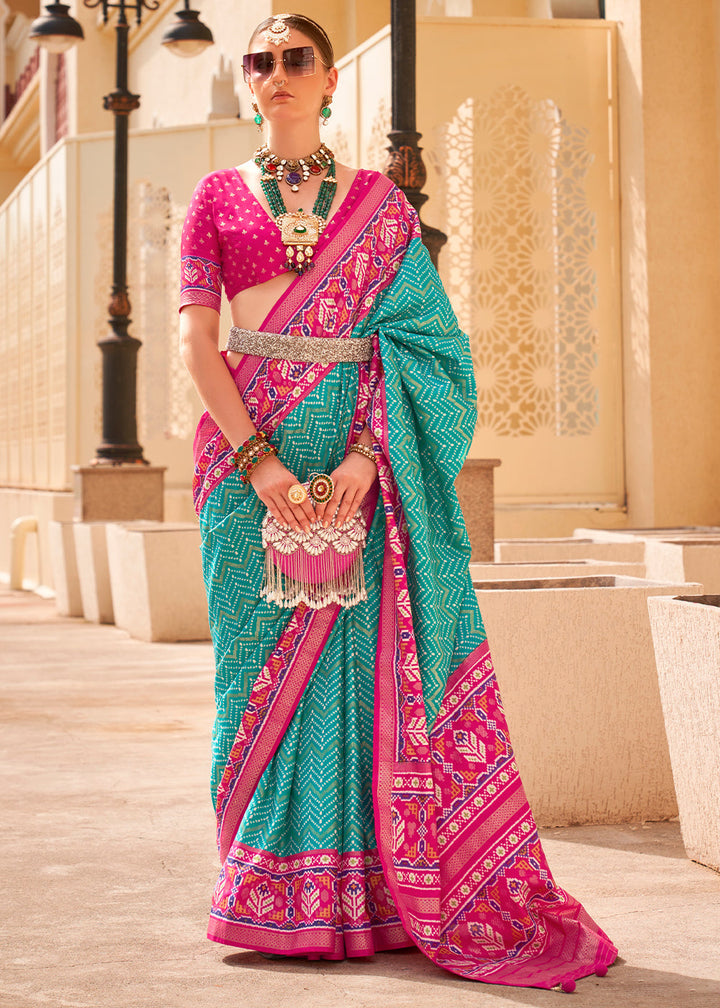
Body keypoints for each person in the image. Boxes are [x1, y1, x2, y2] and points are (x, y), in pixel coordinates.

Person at [179, 12, 617, 991]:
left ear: (330, 79)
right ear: (248, 80)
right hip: (245, 474)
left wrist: (368, 462)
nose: (277, 73)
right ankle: (267, 894)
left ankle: (374, 896)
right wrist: (262, 466)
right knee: (252, 681)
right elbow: (199, 343)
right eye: (261, 61)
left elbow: (431, 348)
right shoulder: (215, 196)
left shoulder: (378, 205)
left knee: (360, 680)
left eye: (297, 58)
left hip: (361, 471)